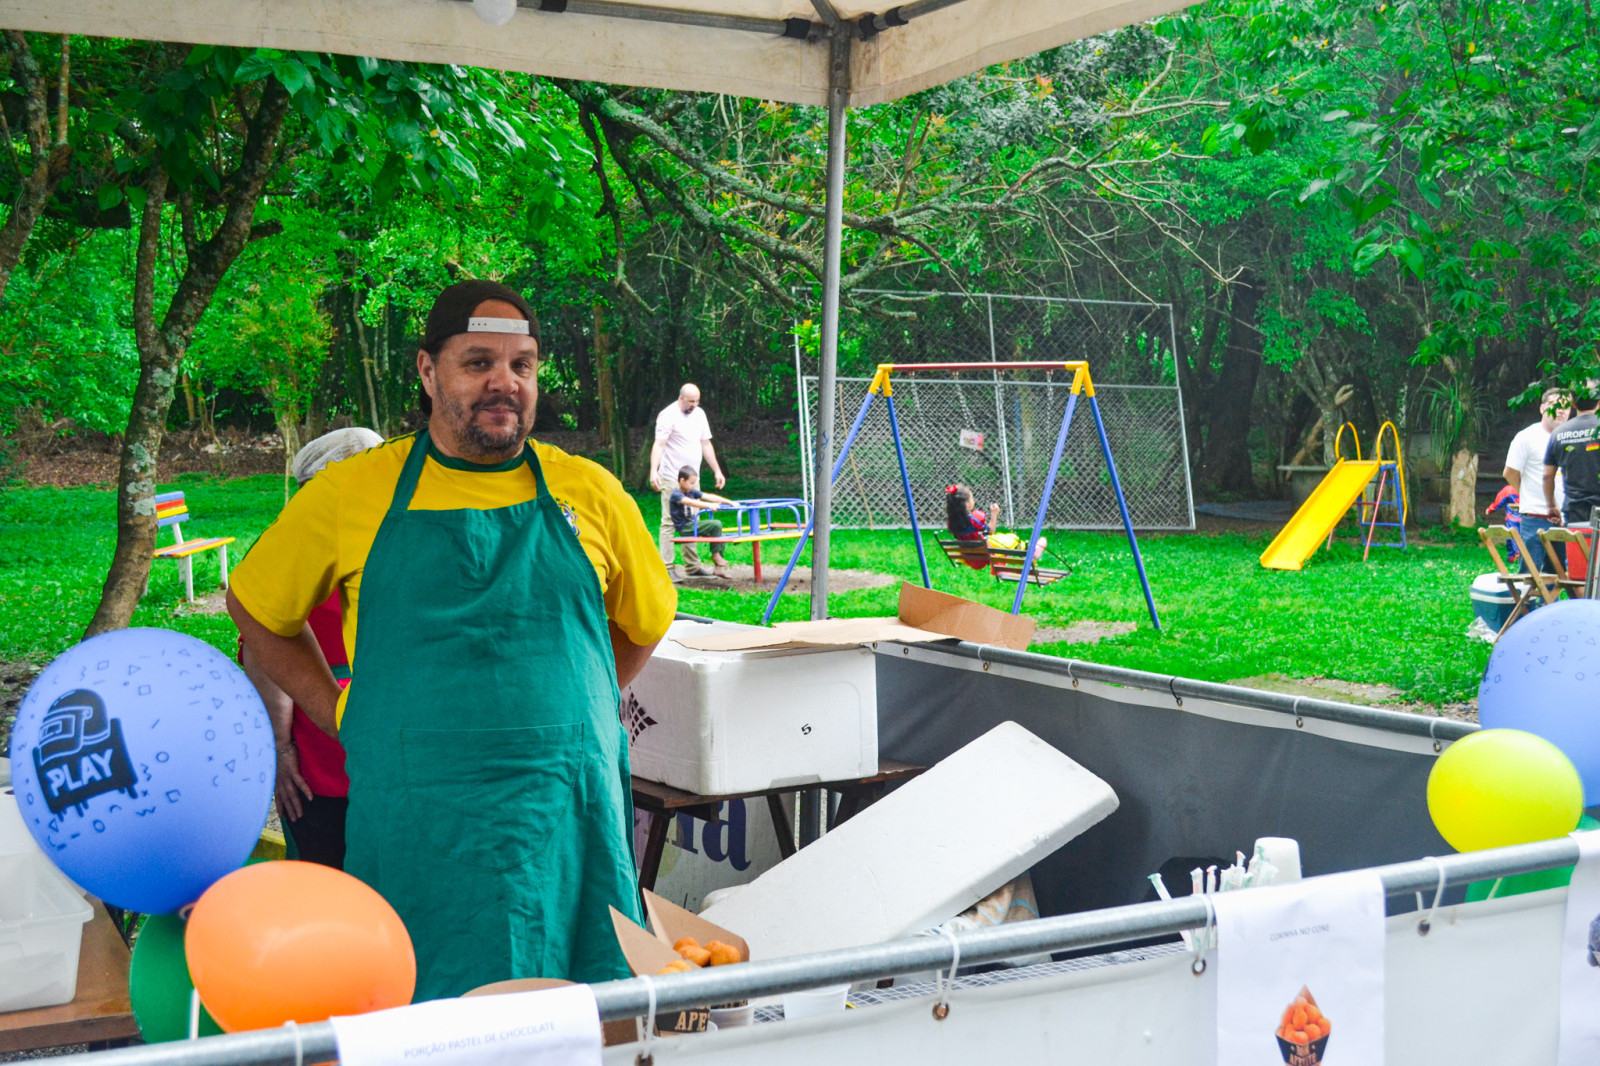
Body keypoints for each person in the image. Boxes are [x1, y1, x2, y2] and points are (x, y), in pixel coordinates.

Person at [226, 280, 676, 1001]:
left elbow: (646, 623)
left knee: (581, 1004)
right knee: (417, 1006)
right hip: (417, 816)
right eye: (478, 363)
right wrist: (336, 711)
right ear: (428, 371)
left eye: (522, 365)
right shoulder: (352, 493)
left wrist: (581, 707)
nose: (505, 383)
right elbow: (255, 609)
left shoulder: (590, 492)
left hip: (566, 809)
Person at [238, 427, 382, 870]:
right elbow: (264, 651)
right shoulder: (391, 537)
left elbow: (260, 652)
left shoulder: (287, 542)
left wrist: (281, 751)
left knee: (329, 881)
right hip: (349, 750)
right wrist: (282, 751)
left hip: (336, 748)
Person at [650, 384, 725, 580]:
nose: (694, 404)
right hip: (672, 477)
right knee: (669, 521)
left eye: (697, 401)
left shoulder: (699, 414)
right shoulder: (668, 415)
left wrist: (717, 470)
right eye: (691, 401)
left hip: (692, 479)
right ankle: (667, 567)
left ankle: (692, 566)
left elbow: (706, 443)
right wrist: (654, 471)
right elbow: (659, 444)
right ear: (681, 398)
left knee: (693, 520)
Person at [1502, 387, 1568, 573]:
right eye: (1555, 405)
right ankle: (1528, 595)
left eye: (1565, 406)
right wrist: (1528, 493)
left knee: (1557, 573)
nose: (1561, 411)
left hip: (1565, 519)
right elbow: (1510, 472)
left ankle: (1552, 595)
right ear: (1542, 408)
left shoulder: (1570, 437)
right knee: (1530, 573)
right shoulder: (1527, 437)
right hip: (1535, 516)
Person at [1543, 388, 1600, 535]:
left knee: (1580, 548)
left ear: (1573, 403)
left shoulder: (1558, 434)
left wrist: (1551, 505)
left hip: (1575, 509)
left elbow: (1547, 475)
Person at [945, 484, 1045, 567]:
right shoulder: (976, 518)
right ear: (966, 504)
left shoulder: (951, 523)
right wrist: (994, 514)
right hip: (985, 555)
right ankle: (1032, 551)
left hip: (969, 557)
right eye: (971, 499)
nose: (973, 501)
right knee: (1011, 538)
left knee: (999, 538)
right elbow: (990, 531)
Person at [670, 465, 734, 578]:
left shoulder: (690, 491)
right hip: (685, 527)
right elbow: (690, 502)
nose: (693, 485)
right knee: (716, 524)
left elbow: (709, 496)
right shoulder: (676, 494)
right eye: (691, 483)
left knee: (719, 535)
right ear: (682, 480)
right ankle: (716, 555)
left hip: (691, 524)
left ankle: (718, 568)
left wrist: (729, 502)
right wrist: (709, 505)